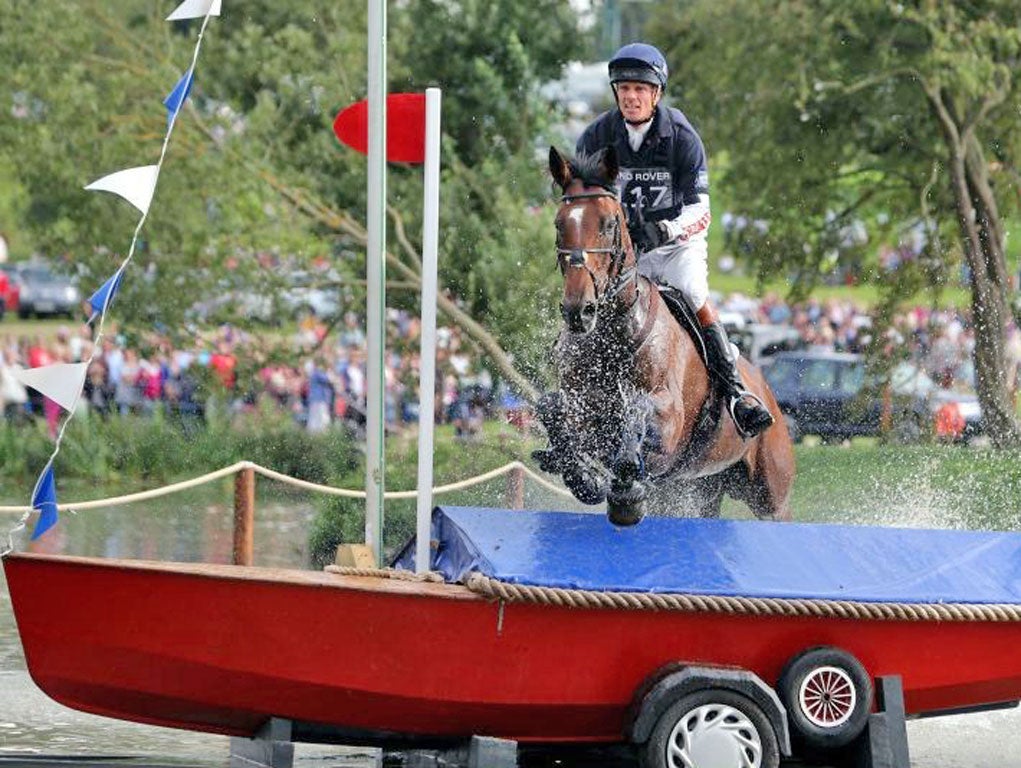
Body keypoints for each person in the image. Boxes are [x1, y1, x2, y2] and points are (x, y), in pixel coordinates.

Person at [576, 42, 774, 438]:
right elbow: (581, 200)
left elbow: (703, 212)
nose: (631, 97)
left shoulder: (681, 136)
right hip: (625, 255)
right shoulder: (597, 135)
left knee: (693, 292)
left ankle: (735, 393)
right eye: (624, 89)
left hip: (675, 246)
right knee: (587, 303)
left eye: (640, 89)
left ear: (657, 94)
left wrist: (664, 230)